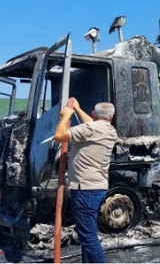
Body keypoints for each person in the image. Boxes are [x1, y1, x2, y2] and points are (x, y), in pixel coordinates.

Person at [54, 98, 117, 263]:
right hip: (96, 187)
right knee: (88, 235)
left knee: (88, 238)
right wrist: (78, 108)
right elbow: (92, 124)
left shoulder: (91, 128)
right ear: (111, 117)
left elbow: (59, 136)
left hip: (85, 189)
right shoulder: (109, 130)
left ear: (94, 114)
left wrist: (66, 115)